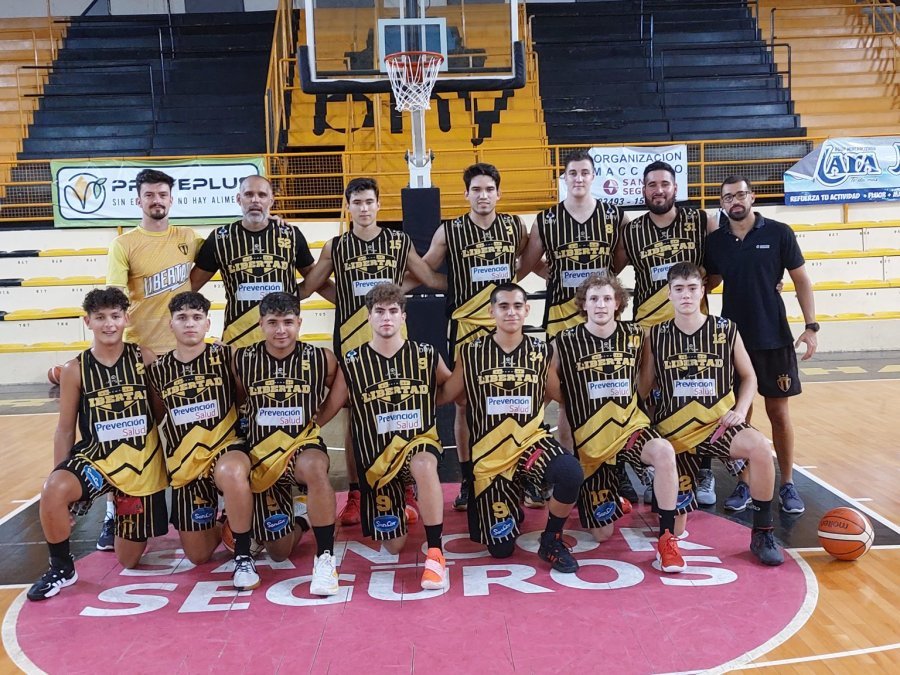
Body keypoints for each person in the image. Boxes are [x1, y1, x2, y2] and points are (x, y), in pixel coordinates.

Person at [297, 177, 445, 526]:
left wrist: (394, 292)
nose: (364, 208)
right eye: (357, 202)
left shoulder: (398, 241)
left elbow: (427, 277)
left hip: (394, 339)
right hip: (352, 339)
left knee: (400, 409)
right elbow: (310, 286)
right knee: (355, 418)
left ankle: (405, 487)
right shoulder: (336, 247)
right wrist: (347, 300)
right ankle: (356, 492)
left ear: (379, 204)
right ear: (348, 206)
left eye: (369, 201)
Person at [27, 288, 169, 601]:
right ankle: (62, 567)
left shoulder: (144, 357)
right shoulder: (75, 369)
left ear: (126, 319)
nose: (109, 324)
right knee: (54, 489)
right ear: (87, 321)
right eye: (100, 317)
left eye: (115, 316)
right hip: (96, 459)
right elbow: (65, 429)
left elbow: (159, 413)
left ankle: (118, 506)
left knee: (128, 559)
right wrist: (60, 472)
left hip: (141, 464)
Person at [642, 262, 784, 566]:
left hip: (717, 426)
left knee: (760, 447)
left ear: (703, 291)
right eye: (679, 289)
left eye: (692, 288)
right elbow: (644, 388)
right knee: (675, 528)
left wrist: (740, 410)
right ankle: (667, 537)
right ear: (669, 293)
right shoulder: (657, 335)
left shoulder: (725, 329)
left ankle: (763, 531)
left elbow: (749, 377)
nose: (686, 295)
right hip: (674, 434)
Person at [441, 283, 584, 572]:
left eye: (517, 306)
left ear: (527, 310)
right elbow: (448, 395)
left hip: (530, 444)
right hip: (491, 454)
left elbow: (558, 394)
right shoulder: (471, 352)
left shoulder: (540, 350)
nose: (511, 312)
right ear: (491, 311)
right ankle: (509, 495)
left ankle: (551, 539)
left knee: (570, 472)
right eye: (503, 306)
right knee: (501, 550)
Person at [317, 284, 451, 589]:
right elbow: (330, 408)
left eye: (393, 311)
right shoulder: (352, 362)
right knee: (393, 545)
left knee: (424, 464)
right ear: (369, 317)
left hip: (417, 444)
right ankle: (403, 500)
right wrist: (300, 428)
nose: (386, 317)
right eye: (379, 311)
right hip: (377, 460)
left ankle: (435, 553)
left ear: (403, 316)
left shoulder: (425, 354)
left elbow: (449, 388)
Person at [95, 168, 202, 551]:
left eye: (162, 194)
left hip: (183, 356)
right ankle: (114, 513)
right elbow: (114, 299)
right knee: (130, 438)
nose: (157, 201)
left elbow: (228, 250)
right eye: (150, 195)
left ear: (171, 199)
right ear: (138, 200)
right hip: (141, 354)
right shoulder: (124, 244)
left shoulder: (188, 238)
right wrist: (114, 351)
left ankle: (207, 507)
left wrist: (271, 220)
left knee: (194, 433)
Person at [551, 273, 685, 572]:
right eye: (594, 299)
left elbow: (645, 379)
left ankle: (667, 540)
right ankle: (616, 499)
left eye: (607, 298)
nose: (600, 304)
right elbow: (551, 388)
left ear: (618, 303)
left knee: (664, 451)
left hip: (628, 429)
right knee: (601, 534)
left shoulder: (636, 335)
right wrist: (572, 409)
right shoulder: (565, 340)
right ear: (583, 304)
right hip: (591, 442)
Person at [518, 149, 631, 501]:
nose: (579, 178)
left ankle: (612, 466)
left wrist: (599, 284)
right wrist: (551, 274)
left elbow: (620, 259)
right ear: (564, 178)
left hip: (601, 315)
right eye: (573, 173)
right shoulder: (547, 219)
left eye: (584, 172)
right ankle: (563, 468)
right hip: (560, 317)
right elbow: (529, 262)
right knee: (562, 396)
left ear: (593, 176)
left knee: (609, 390)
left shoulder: (614, 215)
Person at [614, 160, 724, 507]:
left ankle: (702, 471)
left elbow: (719, 267)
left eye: (664, 184)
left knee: (699, 397)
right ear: (643, 190)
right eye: (652, 185)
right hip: (648, 328)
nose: (658, 190)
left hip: (693, 326)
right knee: (647, 398)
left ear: (675, 188)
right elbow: (610, 268)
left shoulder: (700, 220)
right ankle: (652, 468)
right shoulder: (632, 232)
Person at [705, 176, 818, 515]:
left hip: (774, 338)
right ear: (722, 204)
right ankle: (744, 482)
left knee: (778, 414)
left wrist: (811, 326)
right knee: (740, 416)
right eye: (728, 197)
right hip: (735, 342)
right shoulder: (716, 242)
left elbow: (801, 279)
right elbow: (709, 282)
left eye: (740, 194)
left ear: (752, 197)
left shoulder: (779, 233)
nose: (735, 201)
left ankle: (787, 483)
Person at [421, 163, 527, 511]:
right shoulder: (449, 231)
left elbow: (526, 260)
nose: (483, 196)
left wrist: (510, 286)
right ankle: (468, 478)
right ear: (466, 194)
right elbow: (425, 269)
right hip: (466, 327)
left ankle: (517, 472)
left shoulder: (514, 226)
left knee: (511, 398)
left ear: (499, 193)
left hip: (505, 326)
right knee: (464, 404)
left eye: (489, 189)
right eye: (476, 190)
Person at [145, 291, 259, 590]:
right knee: (198, 555)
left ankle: (243, 556)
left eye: (197, 317)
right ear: (170, 324)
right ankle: (227, 519)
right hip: (186, 464)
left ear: (207, 324)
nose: (189, 324)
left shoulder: (226, 356)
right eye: (182, 317)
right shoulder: (158, 370)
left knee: (231, 472)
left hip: (226, 447)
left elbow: (243, 397)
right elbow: (157, 416)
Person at [233, 292, 341, 595]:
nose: (281, 330)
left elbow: (341, 388)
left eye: (288, 322)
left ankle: (325, 558)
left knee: (316, 469)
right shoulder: (243, 358)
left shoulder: (321, 358)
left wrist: (320, 419)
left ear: (299, 323)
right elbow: (238, 400)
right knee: (279, 551)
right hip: (261, 454)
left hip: (300, 446)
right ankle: (302, 520)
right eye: (273, 323)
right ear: (261, 324)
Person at [190, 175, 332, 347]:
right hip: (238, 338)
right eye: (249, 194)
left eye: (262, 195)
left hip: (283, 337)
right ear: (238, 199)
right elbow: (192, 286)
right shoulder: (220, 238)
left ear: (271, 200)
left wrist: (290, 296)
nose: (255, 200)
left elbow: (314, 281)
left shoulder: (290, 234)